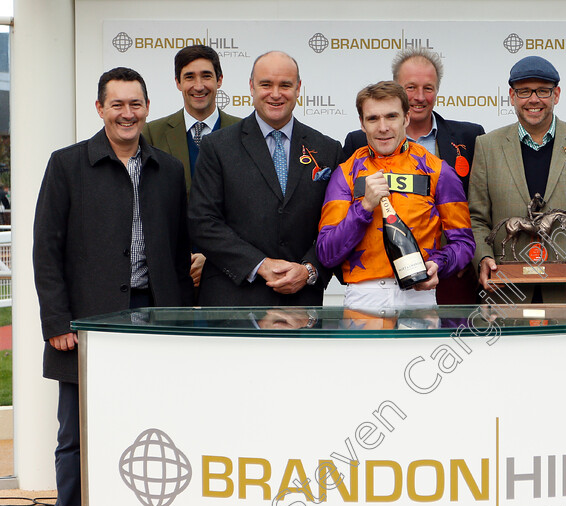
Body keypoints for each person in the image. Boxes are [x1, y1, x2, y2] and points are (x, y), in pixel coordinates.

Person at [33, 67, 193, 506]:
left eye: (136, 104)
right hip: (88, 323)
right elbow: (46, 249)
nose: (128, 114)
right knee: (76, 437)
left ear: (147, 108)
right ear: (100, 108)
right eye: (117, 105)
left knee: (155, 427)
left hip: (155, 321)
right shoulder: (67, 165)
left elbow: (179, 251)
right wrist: (57, 322)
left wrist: (183, 323)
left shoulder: (169, 169)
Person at [188, 51, 343, 306]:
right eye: (266, 84)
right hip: (232, 305)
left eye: (285, 85)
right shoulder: (217, 147)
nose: (275, 93)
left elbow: (338, 226)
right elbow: (203, 222)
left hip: (301, 303)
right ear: (251, 87)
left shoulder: (328, 149)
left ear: (298, 88)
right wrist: (260, 265)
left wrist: (309, 270)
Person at [470, 55, 566, 303]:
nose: (533, 99)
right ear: (512, 96)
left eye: (542, 91)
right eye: (524, 91)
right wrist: (483, 258)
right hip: (506, 295)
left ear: (556, 95)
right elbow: (476, 217)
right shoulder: (487, 146)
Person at [343, 47, 485, 304]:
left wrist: (454, 259)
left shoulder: (469, 137)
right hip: (377, 281)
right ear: (395, 89)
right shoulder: (357, 143)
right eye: (410, 87)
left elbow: (476, 209)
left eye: (428, 88)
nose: (419, 97)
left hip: (451, 274)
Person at [317, 81, 475, 309]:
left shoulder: (439, 170)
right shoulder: (345, 173)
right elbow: (326, 253)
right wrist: (364, 208)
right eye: (373, 119)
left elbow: (464, 243)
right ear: (362, 123)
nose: (383, 127)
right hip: (363, 298)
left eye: (391, 116)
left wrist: (438, 264)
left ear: (406, 118)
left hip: (418, 294)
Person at [142, 45, 240, 288]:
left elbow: (250, 210)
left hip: (229, 274)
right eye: (189, 77)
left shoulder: (245, 133)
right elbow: (147, 206)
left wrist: (214, 255)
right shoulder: (151, 133)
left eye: (206, 76)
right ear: (177, 82)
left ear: (219, 80)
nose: (198, 86)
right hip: (171, 273)